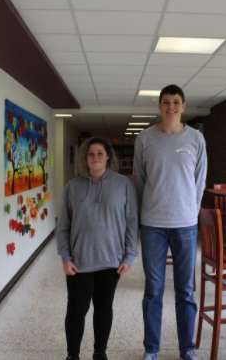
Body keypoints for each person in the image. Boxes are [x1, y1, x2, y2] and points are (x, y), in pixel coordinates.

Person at [133, 85, 207, 360]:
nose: (171, 107)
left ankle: (186, 348)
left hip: (186, 224)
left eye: (176, 102)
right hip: (152, 224)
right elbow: (139, 181)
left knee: (185, 290)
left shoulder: (196, 139)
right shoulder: (144, 138)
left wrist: (190, 210)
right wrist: (140, 217)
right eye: (166, 102)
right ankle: (151, 349)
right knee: (153, 290)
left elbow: (199, 182)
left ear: (184, 106)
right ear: (160, 106)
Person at [57, 136, 139, 360]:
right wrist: (65, 257)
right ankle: (72, 356)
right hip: (79, 262)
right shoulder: (73, 186)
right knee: (76, 311)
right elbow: (63, 225)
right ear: (85, 158)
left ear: (108, 156)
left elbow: (132, 222)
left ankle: (99, 353)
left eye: (100, 153)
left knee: (103, 309)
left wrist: (129, 256)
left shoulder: (123, 184)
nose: (95, 157)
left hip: (111, 261)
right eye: (90, 153)